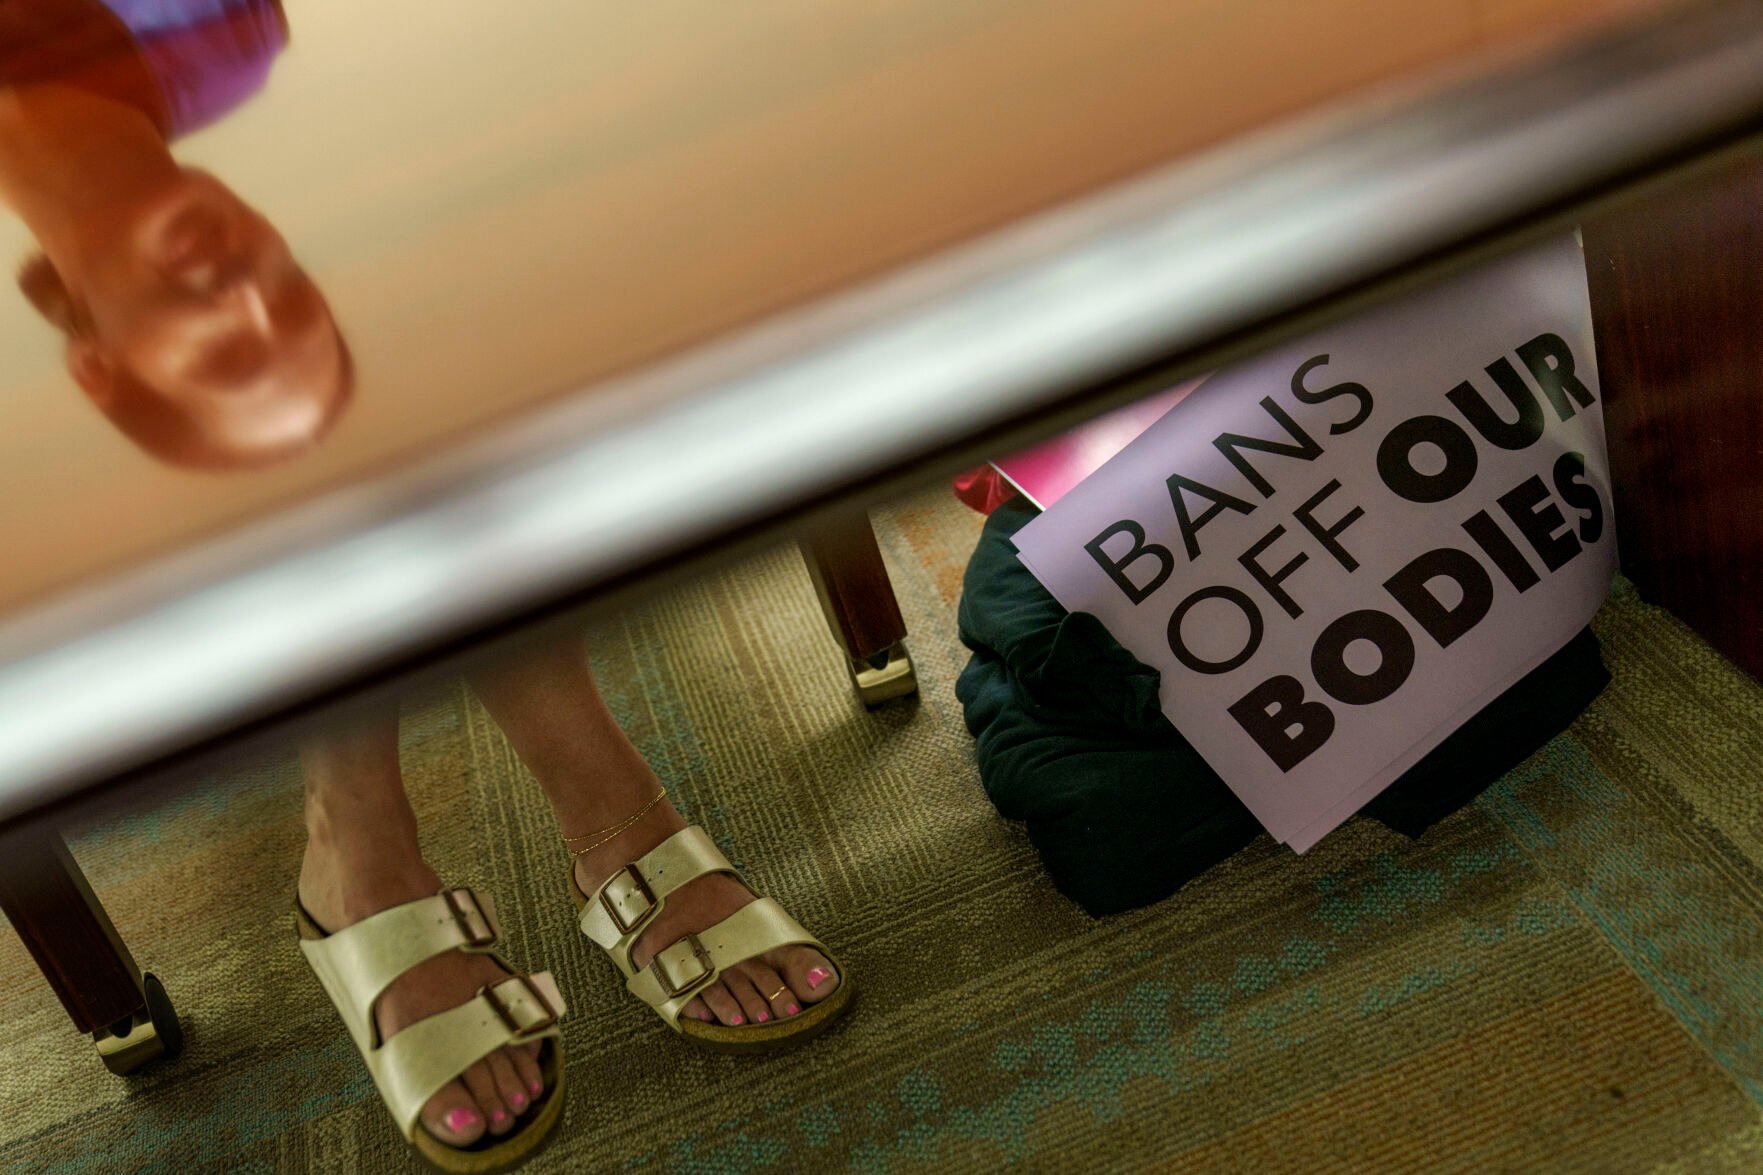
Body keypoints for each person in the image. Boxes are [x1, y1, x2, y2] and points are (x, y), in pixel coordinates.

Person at [0, 0, 351, 469]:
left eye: (226, 358)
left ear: (95, 367)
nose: (244, 292)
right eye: (291, 296)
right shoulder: (223, 38)